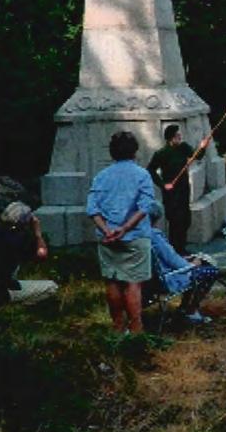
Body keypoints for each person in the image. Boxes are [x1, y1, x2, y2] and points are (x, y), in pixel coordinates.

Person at [87, 131, 156, 334]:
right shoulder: (142, 175)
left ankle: (118, 326)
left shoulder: (101, 176)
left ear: (112, 153)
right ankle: (136, 328)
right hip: (135, 236)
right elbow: (145, 207)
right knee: (133, 283)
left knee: (112, 281)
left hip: (107, 237)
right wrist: (124, 228)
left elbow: (92, 209)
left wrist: (106, 230)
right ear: (134, 151)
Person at [0, 201, 58, 307]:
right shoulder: (22, 239)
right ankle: (18, 305)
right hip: (0, 291)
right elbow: (42, 255)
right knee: (51, 287)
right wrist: (37, 234)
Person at [147, 205, 218, 324]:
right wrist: (194, 262)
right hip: (166, 278)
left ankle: (184, 307)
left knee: (193, 267)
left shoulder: (138, 235)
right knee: (209, 271)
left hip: (150, 278)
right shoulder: (155, 236)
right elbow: (174, 262)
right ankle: (190, 310)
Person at [147, 125, 209, 255]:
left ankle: (182, 247)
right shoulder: (162, 153)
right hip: (171, 192)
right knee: (175, 220)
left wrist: (203, 147)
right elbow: (151, 169)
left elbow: (197, 156)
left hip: (184, 188)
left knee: (186, 219)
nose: (180, 137)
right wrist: (163, 184)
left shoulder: (184, 147)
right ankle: (174, 249)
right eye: (177, 135)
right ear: (171, 138)